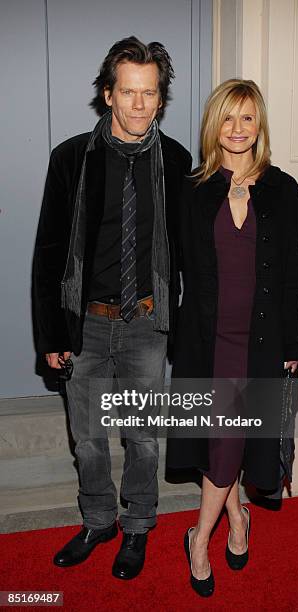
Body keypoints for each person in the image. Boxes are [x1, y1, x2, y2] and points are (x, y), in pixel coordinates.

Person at [33, 36, 191, 580]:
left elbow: (187, 252)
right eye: (129, 92)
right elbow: (50, 251)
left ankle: (138, 526)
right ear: (108, 94)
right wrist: (51, 333)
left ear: (160, 98)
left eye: (150, 94)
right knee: (89, 438)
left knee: (143, 437)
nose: (140, 105)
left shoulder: (175, 161)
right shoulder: (72, 157)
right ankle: (98, 519)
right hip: (86, 325)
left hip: (148, 321)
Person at [166, 79, 298, 596]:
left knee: (236, 440)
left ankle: (220, 525)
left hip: (263, 341)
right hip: (211, 340)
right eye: (228, 118)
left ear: (259, 124)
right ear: (214, 126)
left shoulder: (284, 190)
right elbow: (177, 268)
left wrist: (294, 344)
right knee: (224, 442)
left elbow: (294, 273)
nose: (238, 129)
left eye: (248, 118)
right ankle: (208, 535)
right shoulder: (193, 189)